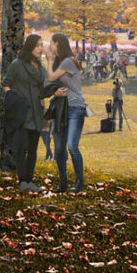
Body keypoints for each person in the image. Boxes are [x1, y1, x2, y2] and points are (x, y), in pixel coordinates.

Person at [1, 33, 68, 193]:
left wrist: (45, 113)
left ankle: (29, 181)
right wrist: (14, 100)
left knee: (33, 149)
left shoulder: (41, 67)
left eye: (41, 45)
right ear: (30, 47)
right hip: (22, 113)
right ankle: (22, 182)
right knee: (22, 148)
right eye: (37, 45)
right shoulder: (17, 64)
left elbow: (44, 89)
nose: (40, 48)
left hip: (37, 114)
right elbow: (6, 84)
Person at [47, 32, 87, 193]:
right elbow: (49, 82)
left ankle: (79, 183)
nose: (49, 46)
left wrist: (49, 61)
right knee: (59, 148)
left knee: (72, 145)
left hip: (75, 108)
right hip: (62, 109)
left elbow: (51, 77)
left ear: (58, 44)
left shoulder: (69, 62)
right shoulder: (61, 62)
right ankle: (63, 183)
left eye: (51, 43)